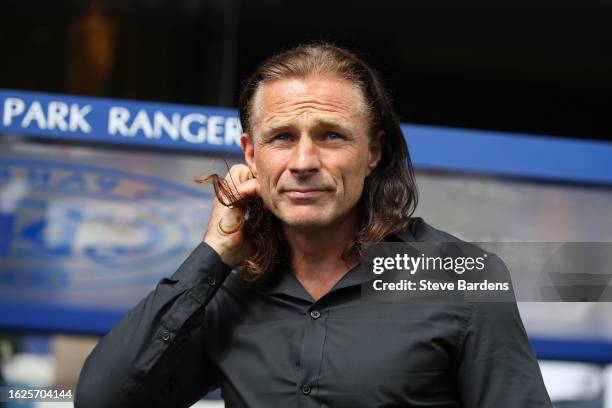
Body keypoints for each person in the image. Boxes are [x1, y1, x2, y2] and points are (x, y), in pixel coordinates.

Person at [75, 43, 552, 407]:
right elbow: (101, 399)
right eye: (281, 137)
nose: (304, 161)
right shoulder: (230, 290)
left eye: (331, 136)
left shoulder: (459, 276)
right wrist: (213, 254)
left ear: (373, 152)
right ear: (251, 154)